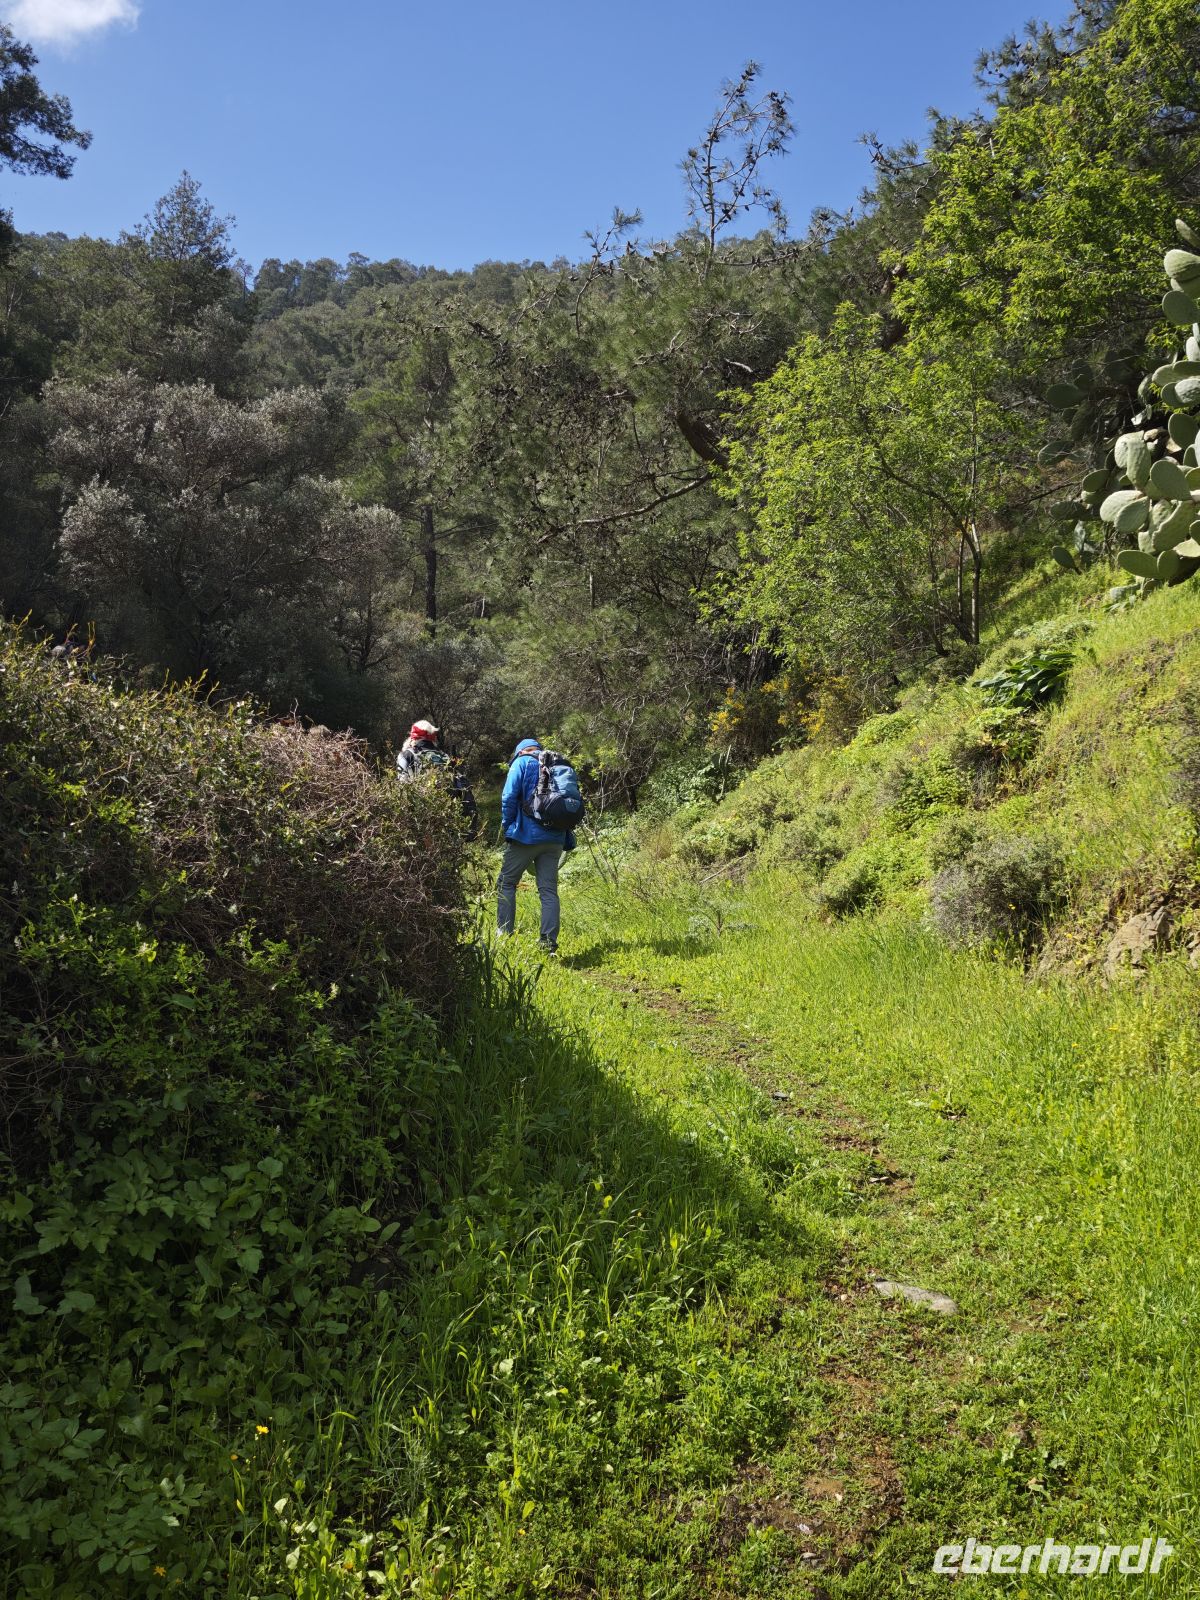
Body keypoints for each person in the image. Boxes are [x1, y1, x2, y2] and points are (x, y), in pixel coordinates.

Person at [497, 736, 575, 953]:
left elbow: (508, 797)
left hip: (526, 836)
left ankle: (504, 938)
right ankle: (548, 944)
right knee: (548, 890)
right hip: (556, 838)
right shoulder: (555, 764)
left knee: (506, 883)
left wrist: (508, 827)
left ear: (520, 751)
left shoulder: (521, 763)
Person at [397, 718, 480, 839]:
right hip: (448, 815)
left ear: (413, 736)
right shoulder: (444, 756)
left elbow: (402, 784)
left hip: (421, 816)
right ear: (433, 737)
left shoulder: (407, 755)